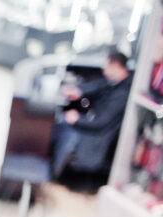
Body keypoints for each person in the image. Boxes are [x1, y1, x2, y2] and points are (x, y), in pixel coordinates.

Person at [50, 50, 132, 179]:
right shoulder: (115, 82)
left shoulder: (122, 93)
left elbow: (101, 121)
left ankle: (54, 174)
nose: (104, 69)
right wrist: (79, 91)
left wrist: (77, 119)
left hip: (98, 134)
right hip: (92, 122)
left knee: (65, 129)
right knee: (61, 124)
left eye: (106, 65)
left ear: (115, 65)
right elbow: (99, 86)